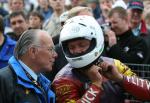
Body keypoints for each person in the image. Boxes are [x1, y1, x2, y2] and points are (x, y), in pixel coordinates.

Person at [52, 15, 135, 103]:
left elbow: (147, 92)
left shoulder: (114, 64)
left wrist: (120, 78)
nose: (77, 50)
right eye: (71, 47)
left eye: (82, 45)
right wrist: (96, 85)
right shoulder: (62, 80)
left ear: (95, 41)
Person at [0, 29, 57, 103]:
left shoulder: (42, 81)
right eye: (50, 49)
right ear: (33, 51)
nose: (55, 54)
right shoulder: (3, 80)